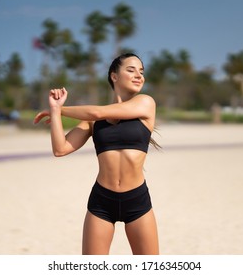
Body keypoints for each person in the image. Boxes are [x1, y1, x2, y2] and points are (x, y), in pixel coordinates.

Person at [34, 53, 159, 255]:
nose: (139, 75)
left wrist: (62, 109)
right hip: (102, 201)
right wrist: (55, 112)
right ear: (114, 76)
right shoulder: (93, 122)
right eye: (131, 70)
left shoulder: (145, 103)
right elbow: (60, 148)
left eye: (141, 72)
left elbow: (98, 112)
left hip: (137, 201)